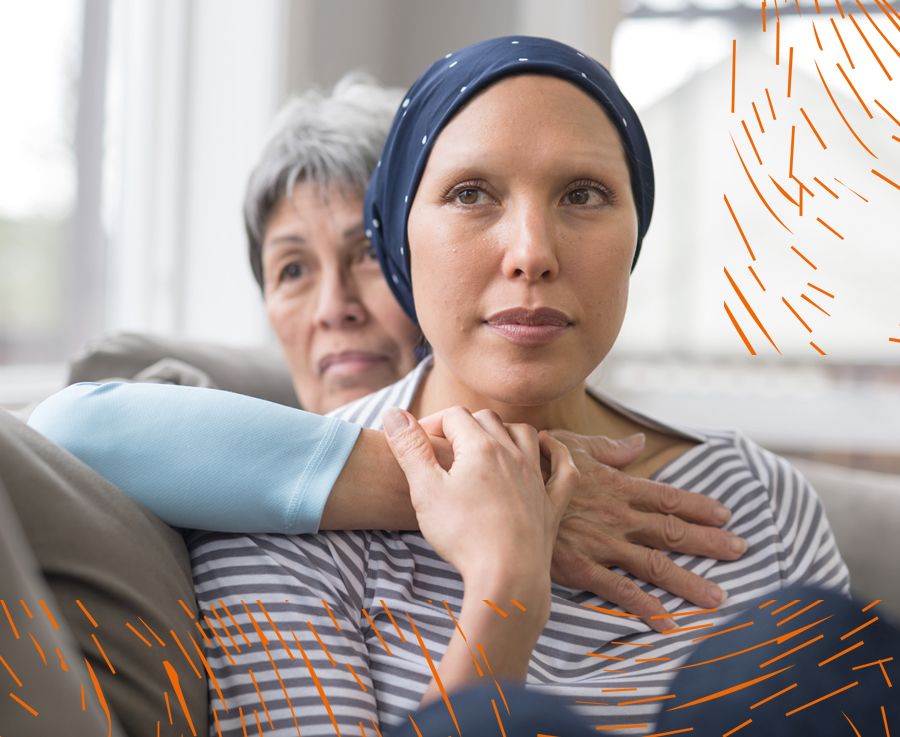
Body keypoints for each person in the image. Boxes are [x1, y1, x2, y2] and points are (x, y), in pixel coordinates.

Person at [75, 35, 849, 735]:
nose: (531, 252)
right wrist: (505, 587)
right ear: (402, 240)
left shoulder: (759, 498)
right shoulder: (279, 518)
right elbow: (72, 429)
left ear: (635, 237)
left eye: (583, 194)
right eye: (472, 193)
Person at [31, 73, 750, 626]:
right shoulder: (227, 480)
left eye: (368, 256)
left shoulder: (723, 486)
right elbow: (65, 432)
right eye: (292, 269)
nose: (333, 305)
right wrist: (505, 488)